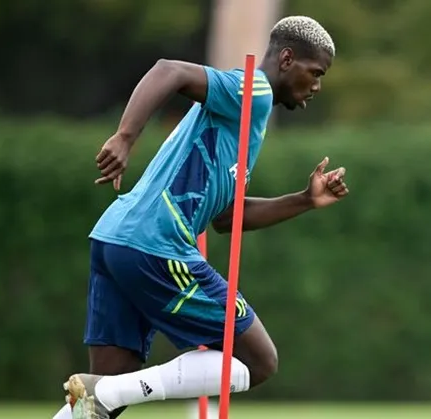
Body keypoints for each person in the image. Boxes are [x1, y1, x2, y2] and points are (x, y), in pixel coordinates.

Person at [52, 15, 346, 419]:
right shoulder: (254, 90)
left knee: (94, 408)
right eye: (315, 73)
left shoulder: (246, 121)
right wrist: (125, 137)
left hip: (116, 242)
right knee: (259, 360)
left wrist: (304, 200)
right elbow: (169, 71)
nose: (317, 86)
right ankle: (111, 391)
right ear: (287, 59)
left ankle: (106, 392)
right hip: (155, 246)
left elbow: (226, 217)